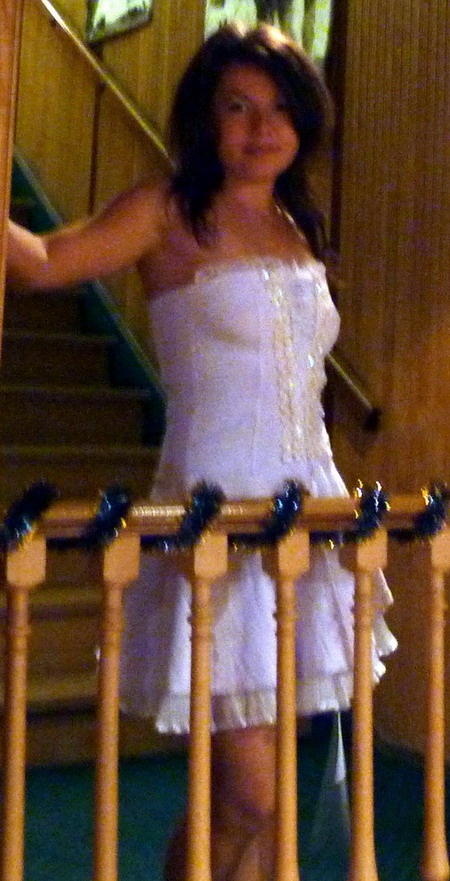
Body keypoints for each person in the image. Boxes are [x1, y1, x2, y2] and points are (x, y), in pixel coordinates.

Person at [7, 22, 397, 881]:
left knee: (264, 798)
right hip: (214, 519)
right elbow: (40, 262)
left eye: (280, 108)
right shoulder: (166, 210)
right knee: (249, 797)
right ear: (203, 117)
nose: (262, 128)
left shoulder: (296, 220)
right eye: (237, 107)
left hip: (305, 517)